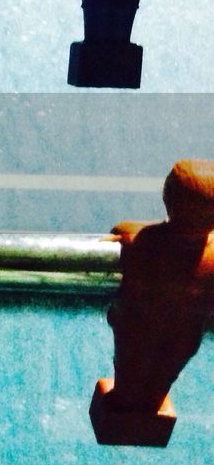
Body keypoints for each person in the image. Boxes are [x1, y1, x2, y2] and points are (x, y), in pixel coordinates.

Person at [91, 160, 214, 446]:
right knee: (163, 375)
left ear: (168, 199)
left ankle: (124, 411)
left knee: (131, 372)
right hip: (185, 336)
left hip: (138, 328)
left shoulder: (140, 242)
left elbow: (121, 230)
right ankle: (146, 411)